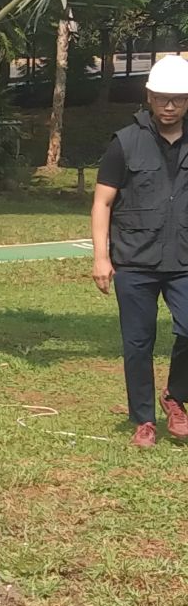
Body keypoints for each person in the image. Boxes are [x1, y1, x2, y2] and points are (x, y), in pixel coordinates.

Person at [91, 54, 188, 448]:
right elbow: (102, 203)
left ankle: (174, 396)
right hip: (134, 260)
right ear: (148, 96)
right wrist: (101, 256)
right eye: (162, 97)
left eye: (178, 99)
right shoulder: (125, 142)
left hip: (183, 260)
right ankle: (144, 420)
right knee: (137, 342)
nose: (169, 106)